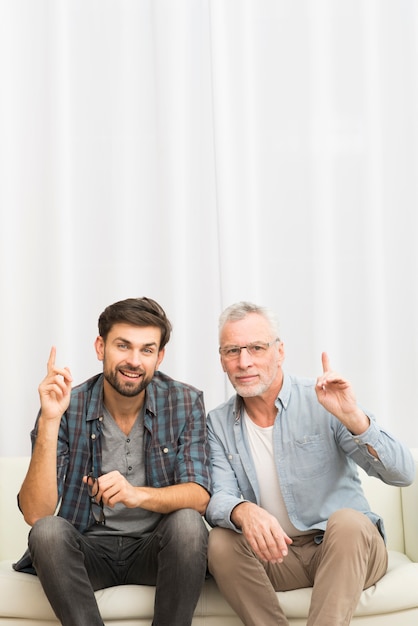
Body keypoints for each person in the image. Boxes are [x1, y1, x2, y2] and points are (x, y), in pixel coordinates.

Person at [205, 301, 415, 626]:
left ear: (280, 351)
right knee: (220, 541)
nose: (244, 362)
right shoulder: (216, 423)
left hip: (346, 550)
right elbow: (219, 495)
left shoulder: (322, 400)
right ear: (222, 359)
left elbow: (404, 474)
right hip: (277, 557)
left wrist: (354, 418)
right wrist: (242, 510)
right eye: (232, 351)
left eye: (256, 348)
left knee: (347, 521)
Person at [14, 297, 211, 626]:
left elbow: (200, 496)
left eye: (147, 350)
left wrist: (138, 494)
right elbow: (36, 513)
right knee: (47, 532)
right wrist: (49, 421)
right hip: (88, 550)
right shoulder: (68, 405)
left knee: (189, 525)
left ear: (159, 356)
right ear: (100, 346)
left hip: (155, 551)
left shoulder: (184, 401)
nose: (134, 361)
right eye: (123, 346)